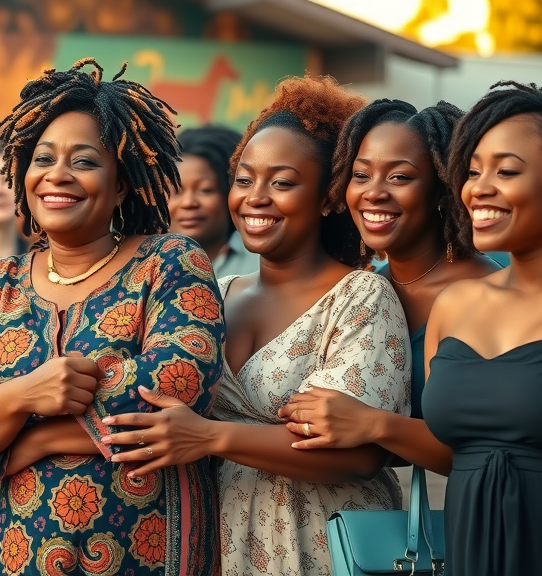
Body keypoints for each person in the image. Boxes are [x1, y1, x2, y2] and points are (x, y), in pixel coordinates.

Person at [103, 76, 412, 575]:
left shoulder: (360, 297)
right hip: (220, 542)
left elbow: (359, 458)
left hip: (322, 543)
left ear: (330, 197)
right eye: (244, 180)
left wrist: (210, 436)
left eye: (283, 182)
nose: (255, 197)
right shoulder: (214, 296)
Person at [0, 59, 226, 576]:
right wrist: (28, 393)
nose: (57, 175)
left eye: (84, 161)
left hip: (147, 548)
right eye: (42, 158)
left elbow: (177, 384)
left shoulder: (169, 263)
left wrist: (17, 423)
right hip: (19, 550)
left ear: (120, 185)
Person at [278, 99, 502, 508]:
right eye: (360, 175)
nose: (374, 193)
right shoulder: (359, 294)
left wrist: (374, 426)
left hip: (498, 511)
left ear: (441, 187)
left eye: (399, 177)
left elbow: (492, 449)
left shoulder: (490, 292)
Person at [422, 81, 542, 575]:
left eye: (506, 170)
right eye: (472, 171)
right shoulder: (454, 305)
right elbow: (449, 450)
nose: (478, 188)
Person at [169, 125, 257, 277]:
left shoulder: (261, 262)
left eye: (205, 190)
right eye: (177, 191)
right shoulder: (142, 263)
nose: (188, 203)